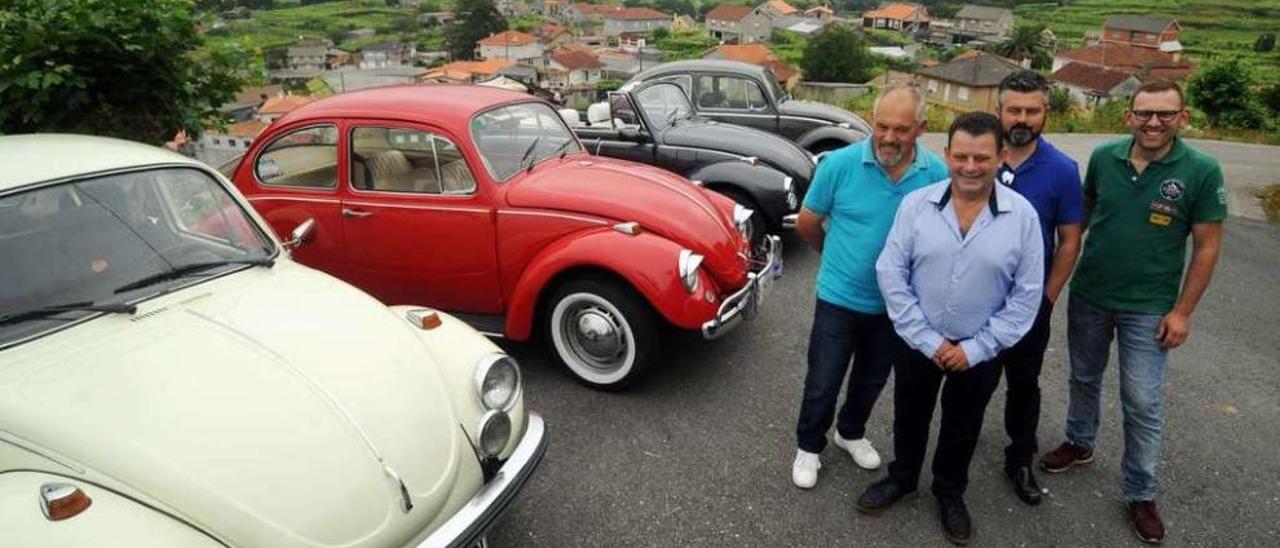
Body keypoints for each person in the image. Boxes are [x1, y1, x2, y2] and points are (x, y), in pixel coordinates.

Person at [1040, 80, 1226, 545]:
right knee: (1083, 376)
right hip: (1091, 294)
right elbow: (1077, 219)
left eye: (1165, 114)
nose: (1154, 122)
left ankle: (1140, 491)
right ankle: (1080, 443)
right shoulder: (1105, 158)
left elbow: (1206, 248)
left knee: (1142, 401)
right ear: (1129, 116)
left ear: (1182, 117)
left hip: (1149, 306)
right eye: (1145, 113)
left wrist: (1182, 312)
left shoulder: (1201, 170)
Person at [860, 112, 1044, 546]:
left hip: (980, 349)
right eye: (961, 156)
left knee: (963, 426)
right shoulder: (916, 205)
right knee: (909, 416)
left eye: (982, 157)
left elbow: (1026, 295)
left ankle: (949, 492)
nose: (970, 166)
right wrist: (926, 339)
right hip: (917, 342)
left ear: (1000, 157)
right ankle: (902, 478)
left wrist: (976, 349)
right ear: (946, 155)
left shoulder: (1023, 217)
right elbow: (891, 271)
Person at [791, 86, 948, 489]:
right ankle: (809, 446)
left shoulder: (936, 174)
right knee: (823, 379)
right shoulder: (839, 165)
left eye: (901, 129)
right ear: (872, 122)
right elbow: (808, 223)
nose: (889, 138)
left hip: (895, 306)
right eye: (882, 126)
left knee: (872, 378)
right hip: (839, 298)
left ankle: (850, 431)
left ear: (921, 128)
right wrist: (838, 262)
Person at [991, 70, 1085, 505]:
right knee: (969, 379)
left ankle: (1020, 458)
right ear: (999, 112)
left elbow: (1069, 240)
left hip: (1030, 304)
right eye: (1014, 110)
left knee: (1024, 383)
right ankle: (952, 458)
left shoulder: (1063, 171)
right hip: (977, 300)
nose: (1022, 118)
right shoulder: (978, 157)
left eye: (1032, 110)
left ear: (1046, 112)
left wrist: (1047, 298)